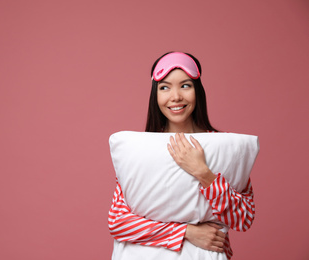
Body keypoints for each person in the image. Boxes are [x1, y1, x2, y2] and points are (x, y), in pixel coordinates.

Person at [108, 52, 255, 259]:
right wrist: (187, 232)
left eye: (185, 85)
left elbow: (244, 218)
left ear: (198, 91)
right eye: (164, 87)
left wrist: (204, 173)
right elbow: (118, 222)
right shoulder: (141, 149)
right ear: (155, 95)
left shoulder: (223, 147)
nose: (176, 96)